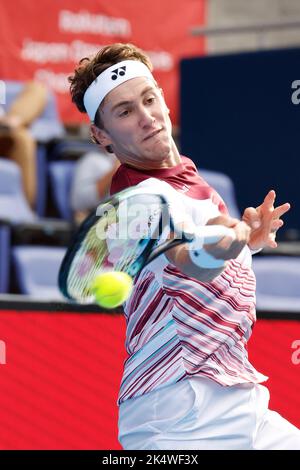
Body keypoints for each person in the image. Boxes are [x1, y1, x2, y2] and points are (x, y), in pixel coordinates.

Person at [68, 43, 300, 450]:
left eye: (149, 99)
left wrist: (250, 243)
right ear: (100, 135)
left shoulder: (188, 178)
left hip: (236, 394)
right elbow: (191, 262)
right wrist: (227, 244)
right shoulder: (141, 200)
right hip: (178, 413)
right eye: (124, 112)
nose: (146, 118)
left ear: (163, 98)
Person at [0, 80, 47, 208]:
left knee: (37, 89)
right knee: (23, 137)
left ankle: (13, 121)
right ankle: (25, 208)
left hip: (5, 129)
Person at [70, 149, 119, 224]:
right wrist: (115, 170)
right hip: (98, 220)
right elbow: (80, 203)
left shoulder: (135, 158)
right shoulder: (91, 160)